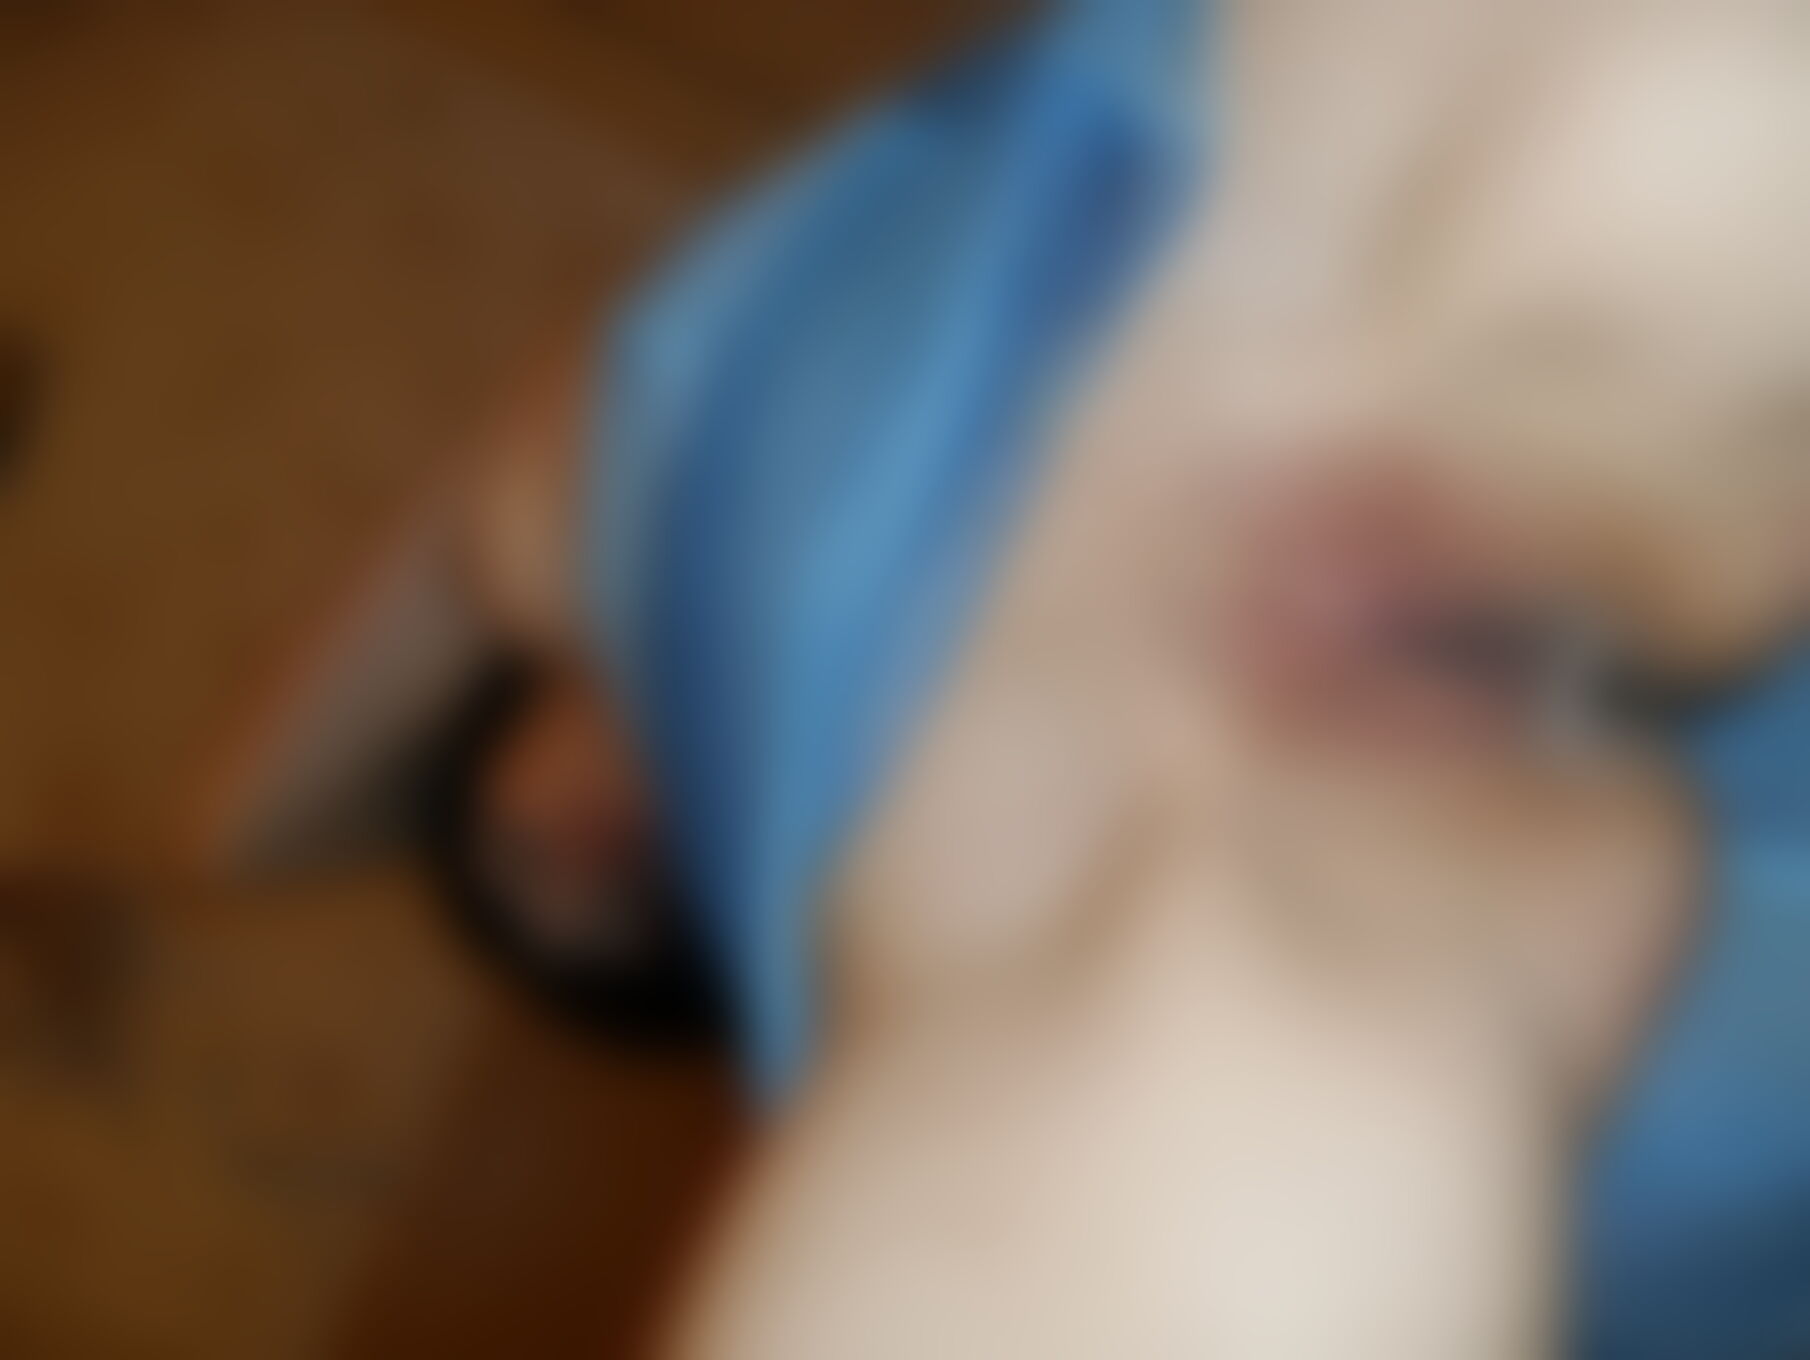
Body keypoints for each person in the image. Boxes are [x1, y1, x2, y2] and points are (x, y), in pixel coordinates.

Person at [199, 1, 1810, 1354]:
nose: (576, 849)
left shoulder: (626, 473)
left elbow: (282, 776)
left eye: (522, 851)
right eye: (597, 911)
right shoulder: (959, 973)